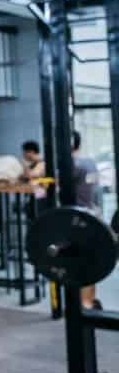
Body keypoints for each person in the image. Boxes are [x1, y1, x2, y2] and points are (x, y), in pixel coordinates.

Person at [72, 130, 105, 309]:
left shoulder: (72, 164)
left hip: (78, 219)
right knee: (88, 262)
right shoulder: (90, 162)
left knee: (79, 263)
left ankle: (84, 304)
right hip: (92, 215)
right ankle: (89, 300)